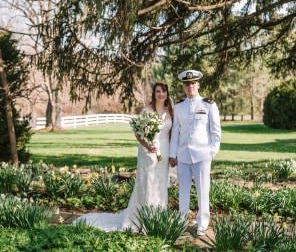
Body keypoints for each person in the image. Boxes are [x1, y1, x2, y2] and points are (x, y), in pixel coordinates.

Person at [75, 82, 173, 232]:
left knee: (160, 185)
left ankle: (159, 218)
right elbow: (138, 133)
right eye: (158, 91)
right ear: (154, 94)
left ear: (167, 93)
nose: (161, 94)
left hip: (164, 153)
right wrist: (148, 145)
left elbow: (172, 133)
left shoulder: (170, 111)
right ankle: (145, 220)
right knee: (147, 184)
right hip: (148, 153)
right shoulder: (147, 111)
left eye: (164, 91)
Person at [169, 70, 221, 236]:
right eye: (187, 84)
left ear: (198, 84)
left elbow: (215, 132)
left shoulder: (209, 105)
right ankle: (182, 221)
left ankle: (202, 223)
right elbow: (175, 132)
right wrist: (172, 154)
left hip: (202, 155)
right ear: (183, 87)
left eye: (193, 83)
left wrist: (212, 152)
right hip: (183, 155)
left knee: (202, 190)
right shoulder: (178, 107)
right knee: (183, 191)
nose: (190, 86)